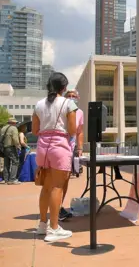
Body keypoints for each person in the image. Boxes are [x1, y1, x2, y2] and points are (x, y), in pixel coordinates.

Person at [33, 72, 77, 242]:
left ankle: (42, 225)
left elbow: (35, 130)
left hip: (42, 146)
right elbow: (72, 130)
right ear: (64, 88)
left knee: (45, 187)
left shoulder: (38, 104)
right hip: (59, 146)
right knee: (57, 187)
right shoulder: (68, 103)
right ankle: (54, 228)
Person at [58, 89, 84, 221]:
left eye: (74, 96)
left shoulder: (80, 112)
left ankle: (58, 207)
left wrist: (80, 147)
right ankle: (54, 209)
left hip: (70, 148)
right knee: (57, 180)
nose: (72, 98)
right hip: (58, 147)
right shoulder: (60, 109)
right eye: (69, 96)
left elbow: (79, 131)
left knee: (66, 179)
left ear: (78, 98)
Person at [1, 118, 21, 185]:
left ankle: (6, 179)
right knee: (15, 162)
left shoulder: (3, 128)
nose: (16, 124)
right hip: (11, 147)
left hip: (4, 148)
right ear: (12, 123)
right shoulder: (13, 128)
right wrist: (18, 146)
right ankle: (12, 179)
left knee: (6, 163)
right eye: (15, 123)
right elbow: (15, 138)